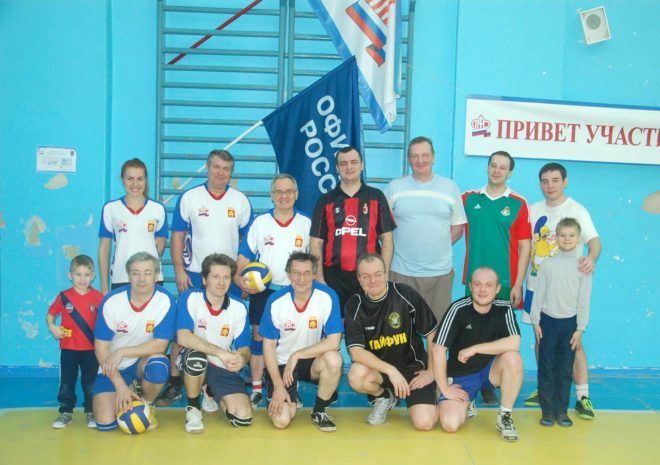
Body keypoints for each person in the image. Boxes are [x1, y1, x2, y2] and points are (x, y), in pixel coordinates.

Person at [163, 149, 253, 405]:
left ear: (231, 172)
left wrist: (241, 276)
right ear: (207, 167)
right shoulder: (190, 197)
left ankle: (226, 375)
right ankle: (174, 381)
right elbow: (177, 236)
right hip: (195, 275)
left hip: (228, 277)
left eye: (226, 169)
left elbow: (249, 243)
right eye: (216, 167)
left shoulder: (240, 201)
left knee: (229, 327)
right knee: (184, 330)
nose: (221, 173)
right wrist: (179, 270)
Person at [523, 162, 601, 420]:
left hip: (565, 292)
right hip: (536, 286)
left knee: (574, 344)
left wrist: (591, 259)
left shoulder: (577, 210)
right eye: (545, 181)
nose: (550, 185)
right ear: (540, 184)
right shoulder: (533, 209)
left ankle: (582, 396)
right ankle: (545, 391)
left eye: (555, 180)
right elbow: (524, 246)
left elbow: (595, 243)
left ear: (564, 181)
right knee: (541, 340)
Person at [461, 150, 531, 406]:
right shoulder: (468, 199)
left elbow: (525, 247)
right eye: (493, 165)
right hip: (475, 282)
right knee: (472, 333)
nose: (497, 170)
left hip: (505, 283)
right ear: (487, 167)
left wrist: (518, 283)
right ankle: (473, 382)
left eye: (503, 167)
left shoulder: (518, 203)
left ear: (510, 173)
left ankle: (490, 382)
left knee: (499, 334)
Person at [235, 174, 311, 407]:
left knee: (291, 342)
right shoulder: (260, 223)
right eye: (278, 192)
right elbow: (244, 257)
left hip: (295, 291)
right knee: (259, 338)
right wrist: (240, 280)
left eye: (288, 191)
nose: (283, 196)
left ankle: (290, 386)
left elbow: (314, 260)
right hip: (265, 292)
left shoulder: (306, 223)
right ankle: (258, 387)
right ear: (271, 195)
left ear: (296, 195)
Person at [344, 253, 438, 429]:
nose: (373, 280)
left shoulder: (406, 295)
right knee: (356, 375)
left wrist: (432, 371)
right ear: (359, 279)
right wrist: (391, 370)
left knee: (425, 423)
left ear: (386, 273)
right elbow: (356, 353)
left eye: (377, 274)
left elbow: (432, 333)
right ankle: (384, 397)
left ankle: (436, 389)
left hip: (414, 372)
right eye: (366, 276)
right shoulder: (354, 305)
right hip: (381, 371)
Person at [433, 267, 523, 442]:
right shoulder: (458, 309)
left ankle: (505, 416)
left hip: (489, 372)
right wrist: (445, 388)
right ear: (470, 286)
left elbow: (514, 343)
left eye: (489, 285)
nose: (482, 290)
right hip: (461, 377)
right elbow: (438, 350)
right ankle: (468, 402)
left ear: (497, 288)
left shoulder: (504, 308)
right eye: (477, 284)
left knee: (513, 358)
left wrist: (474, 348)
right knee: (450, 424)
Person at [385, 136, 466, 323]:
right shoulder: (394, 188)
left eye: (425, 155)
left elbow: (458, 228)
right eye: (415, 156)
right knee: (400, 329)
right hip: (402, 272)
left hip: (440, 274)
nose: (420, 160)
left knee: (438, 329)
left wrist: (436, 246)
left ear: (433, 157)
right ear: (409, 159)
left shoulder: (450, 187)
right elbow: (383, 230)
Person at [259, 252, 344, 432]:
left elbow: (334, 342)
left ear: (314, 274)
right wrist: (278, 386)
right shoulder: (276, 301)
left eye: (307, 273)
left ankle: (319, 411)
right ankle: (285, 391)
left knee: (334, 359)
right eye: (296, 273)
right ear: (288, 274)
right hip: (282, 364)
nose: (301, 278)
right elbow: (268, 346)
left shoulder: (328, 296)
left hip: (311, 361)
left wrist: (297, 355)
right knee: (281, 421)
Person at [91, 252, 176, 432]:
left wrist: (122, 352)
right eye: (135, 273)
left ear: (156, 276)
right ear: (129, 276)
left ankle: (147, 404)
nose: (141, 279)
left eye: (147, 273)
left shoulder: (165, 301)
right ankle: (128, 387)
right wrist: (120, 385)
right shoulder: (112, 301)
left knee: (159, 365)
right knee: (105, 424)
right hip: (112, 365)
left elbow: (160, 345)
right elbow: (101, 349)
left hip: (141, 362)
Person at [310, 146, 396, 309]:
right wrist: (319, 279)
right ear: (337, 168)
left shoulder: (376, 197)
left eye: (354, 162)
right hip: (333, 278)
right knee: (335, 323)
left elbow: (387, 240)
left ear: (362, 165)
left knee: (369, 322)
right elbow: (315, 243)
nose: (349, 167)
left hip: (369, 277)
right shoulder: (325, 201)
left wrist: (383, 275)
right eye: (343, 163)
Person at [176, 254, 252, 433]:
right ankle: (193, 409)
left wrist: (241, 359)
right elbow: (183, 337)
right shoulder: (190, 297)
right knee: (196, 358)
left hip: (221, 365)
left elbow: (245, 348)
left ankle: (210, 391)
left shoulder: (238, 307)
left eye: (226, 277)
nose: (221, 282)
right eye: (215, 277)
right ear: (204, 279)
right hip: (193, 361)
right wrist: (220, 352)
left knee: (242, 418)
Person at [530, 218, 592, 427]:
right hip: (547, 322)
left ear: (578, 238)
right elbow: (539, 293)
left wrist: (580, 328)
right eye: (563, 235)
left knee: (565, 368)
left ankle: (561, 411)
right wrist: (535, 321)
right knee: (546, 366)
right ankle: (547, 412)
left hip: (569, 325)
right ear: (556, 237)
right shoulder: (548, 264)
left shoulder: (582, 267)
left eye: (571, 235)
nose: (567, 239)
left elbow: (584, 299)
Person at [46, 255, 104, 429]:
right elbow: (51, 314)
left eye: (87, 274)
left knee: (90, 382)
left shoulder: (98, 297)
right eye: (78, 274)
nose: (82, 279)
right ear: (70, 275)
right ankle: (66, 411)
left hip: (91, 350)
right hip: (68, 348)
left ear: (93, 276)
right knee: (67, 381)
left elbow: (107, 320)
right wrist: (52, 327)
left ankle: (91, 411)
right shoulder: (64, 297)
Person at [98, 158, 168, 294]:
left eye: (140, 179)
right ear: (122, 179)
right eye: (130, 179)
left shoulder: (158, 209)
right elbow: (104, 249)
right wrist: (104, 286)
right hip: (121, 277)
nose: (135, 184)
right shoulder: (110, 209)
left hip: (152, 278)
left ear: (146, 180)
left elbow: (160, 248)